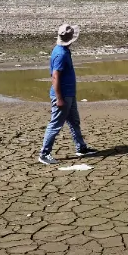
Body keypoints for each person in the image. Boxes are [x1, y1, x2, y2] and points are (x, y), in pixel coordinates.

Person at [38, 24, 97, 164]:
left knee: (74, 121)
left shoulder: (63, 50)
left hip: (69, 94)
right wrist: (59, 98)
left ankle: (81, 148)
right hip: (63, 96)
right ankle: (44, 154)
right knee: (55, 124)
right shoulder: (61, 54)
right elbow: (55, 77)